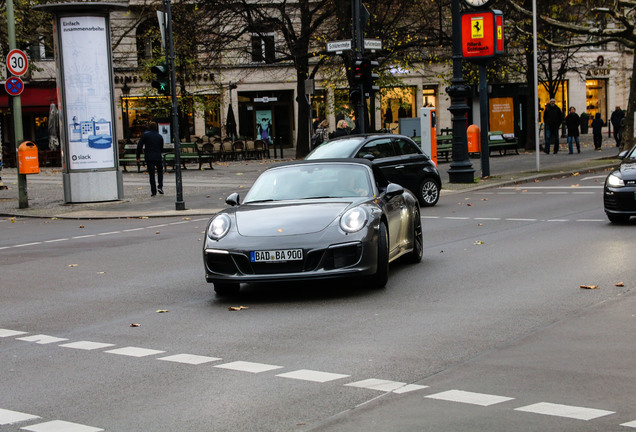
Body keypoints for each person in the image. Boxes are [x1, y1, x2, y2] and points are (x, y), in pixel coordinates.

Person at [136, 122, 164, 197]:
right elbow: (161, 147)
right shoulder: (159, 136)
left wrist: (138, 156)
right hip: (158, 156)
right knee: (160, 172)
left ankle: (153, 191)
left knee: (151, 174)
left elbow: (139, 145)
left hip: (149, 156)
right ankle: (160, 186)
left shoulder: (145, 135)